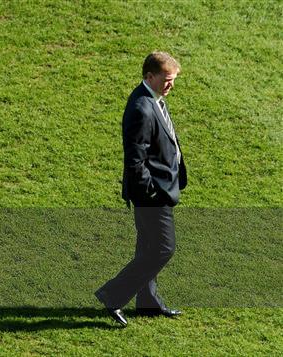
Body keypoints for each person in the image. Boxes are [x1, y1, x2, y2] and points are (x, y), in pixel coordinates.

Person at [95, 51, 188, 327]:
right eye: (167, 80)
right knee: (163, 248)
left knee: (148, 245)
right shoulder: (141, 107)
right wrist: (151, 193)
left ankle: (148, 303)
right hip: (152, 195)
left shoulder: (154, 98)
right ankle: (112, 295)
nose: (171, 86)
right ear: (149, 76)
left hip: (159, 189)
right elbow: (135, 161)